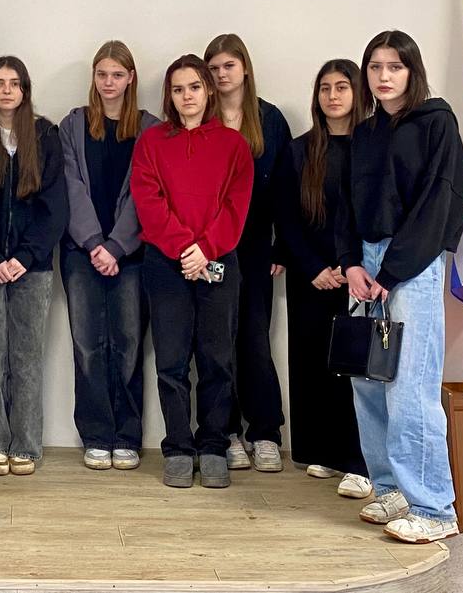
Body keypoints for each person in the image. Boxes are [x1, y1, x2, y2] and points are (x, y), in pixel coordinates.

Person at [337, 31, 463, 544]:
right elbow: (347, 202)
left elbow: (440, 203)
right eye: (375, 67)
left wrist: (389, 274)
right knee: (367, 381)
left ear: (412, 71)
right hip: (365, 266)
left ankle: (434, 508)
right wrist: (351, 264)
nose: (384, 76)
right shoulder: (366, 132)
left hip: (411, 264)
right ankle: (391, 488)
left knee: (410, 387)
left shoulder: (436, 123)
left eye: (395, 66)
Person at [131, 54, 252, 489]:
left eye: (195, 87)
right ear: (170, 95)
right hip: (167, 264)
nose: (187, 96)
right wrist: (186, 248)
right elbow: (148, 200)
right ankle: (179, 447)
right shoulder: (152, 142)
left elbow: (236, 206)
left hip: (218, 262)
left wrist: (205, 249)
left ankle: (214, 445)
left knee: (217, 359)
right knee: (171, 361)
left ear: (209, 90)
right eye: (179, 89)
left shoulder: (233, 145)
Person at [58, 41, 159, 472]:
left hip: (131, 254)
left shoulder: (150, 128)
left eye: (117, 75)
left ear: (131, 78)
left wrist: (116, 246)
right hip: (82, 252)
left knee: (129, 344)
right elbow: (70, 185)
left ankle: (127, 436)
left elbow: (146, 192)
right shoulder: (74, 124)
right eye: (102, 74)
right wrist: (94, 243)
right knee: (88, 345)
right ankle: (97, 435)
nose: (109, 82)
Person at [275, 59, 371, 498]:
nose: (333, 96)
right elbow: (286, 217)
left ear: (357, 93)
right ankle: (321, 451)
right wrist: (313, 268)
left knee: (357, 369)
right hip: (310, 275)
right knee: (313, 362)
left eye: (342, 87)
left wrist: (350, 266)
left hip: (360, 277)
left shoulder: (373, 145)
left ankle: (358, 461)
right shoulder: (299, 150)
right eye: (325, 88)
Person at [0, 56, 66, 476]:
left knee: (27, 356)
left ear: (25, 89)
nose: (6, 90)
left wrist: (24, 258)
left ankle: (26, 444)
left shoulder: (45, 135)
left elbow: (55, 208)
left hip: (33, 267)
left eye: (14, 83)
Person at [204, 33, 292, 473]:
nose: (222, 74)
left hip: (256, 246)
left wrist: (281, 245)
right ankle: (227, 433)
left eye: (229, 66)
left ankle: (266, 432)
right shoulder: (201, 116)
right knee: (218, 341)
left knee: (255, 339)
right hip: (211, 245)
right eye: (214, 68)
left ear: (244, 68)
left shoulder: (269, 119)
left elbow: (286, 189)